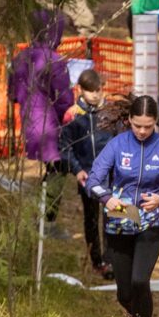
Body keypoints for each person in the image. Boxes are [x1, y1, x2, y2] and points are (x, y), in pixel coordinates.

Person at [87, 95, 159, 317]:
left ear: (156, 122)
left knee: (140, 281)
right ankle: (138, 315)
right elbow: (93, 180)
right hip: (119, 225)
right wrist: (107, 198)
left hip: (152, 224)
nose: (142, 131)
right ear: (129, 119)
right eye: (137, 125)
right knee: (125, 294)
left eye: (148, 126)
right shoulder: (117, 145)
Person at [10, 10, 75, 236]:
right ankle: (46, 222)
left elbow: (12, 94)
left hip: (28, 120)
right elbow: (65, 99)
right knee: (58, 170)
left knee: (51, 171)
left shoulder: (20, 57)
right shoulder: (55, 61)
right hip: (49, 124)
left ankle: (39, 218)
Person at [59, 70, 128, 278]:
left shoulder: (111, 112)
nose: (96, 95)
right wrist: (77, 169)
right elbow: (65, 146)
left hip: (112, 176)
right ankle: (97, 261)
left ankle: (111, 260)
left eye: (98, 90)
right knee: (91, 220)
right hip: (87, 176)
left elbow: (122, 141)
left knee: (113, 217)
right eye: (91, 91)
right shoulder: (72, 115)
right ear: (80, 90)